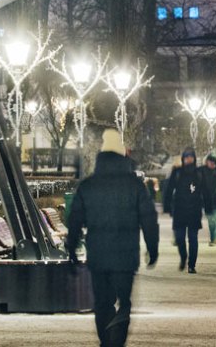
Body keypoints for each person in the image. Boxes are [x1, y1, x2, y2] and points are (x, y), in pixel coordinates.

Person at [66, 128, 159, 347]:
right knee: (123, 302)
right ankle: (116, 342)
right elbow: (148, 218)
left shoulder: (88, 185)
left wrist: (71, 249)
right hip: (126, 256)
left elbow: (75, 220)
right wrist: (152, 248)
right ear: (123, 155)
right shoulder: (135, 185)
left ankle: (106, 342)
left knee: (102, 303)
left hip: (98, 255)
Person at [163, 147, 213, 273]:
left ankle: (191, 265)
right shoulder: (177, 172)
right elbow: (169, 190)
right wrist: (167, 206)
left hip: (194, 210)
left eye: (191, 157)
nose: (188, 159)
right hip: (179, 210)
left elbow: (206, 191)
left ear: (194, 158)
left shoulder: (199, 173)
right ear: (183, 159)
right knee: (179, 238)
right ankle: (183, 257)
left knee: (193, 238)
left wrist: (208, 208)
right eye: (186, 157)